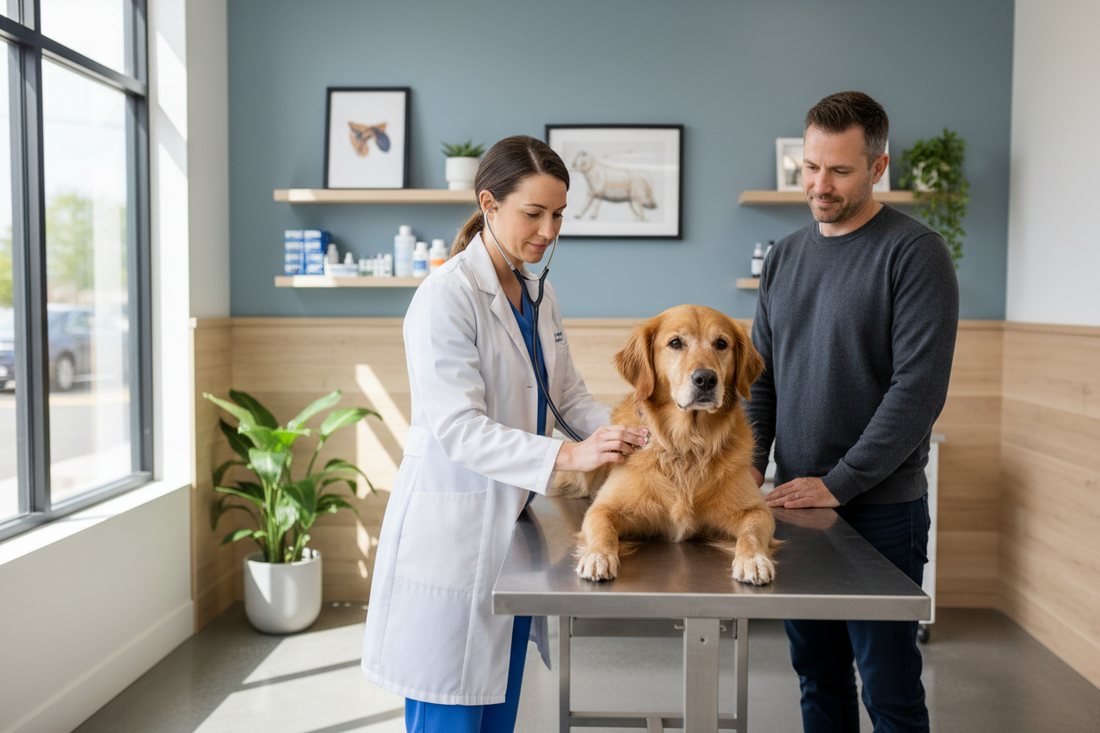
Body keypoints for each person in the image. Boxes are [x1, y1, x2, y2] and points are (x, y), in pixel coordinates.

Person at [360, 135, 648, 733]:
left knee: (496, 711)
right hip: (455, 537)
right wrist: (572, 454)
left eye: (559, 215)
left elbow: (566, 399)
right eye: (533, 213)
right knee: (452, 713)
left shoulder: (538, 294)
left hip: (510, 540)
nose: (549, 230)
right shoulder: (446, 298)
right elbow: (460, 430)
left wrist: (632, 433)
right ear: (489, 205)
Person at [746, 92, 959, 733]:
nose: (820, 184)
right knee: (818, 680)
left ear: (877, 167)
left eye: (839, 170)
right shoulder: (784, 256)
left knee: (889, 691)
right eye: (811, 167)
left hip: (882, 511)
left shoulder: (915, 253)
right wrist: (749, 473)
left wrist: (838, 484)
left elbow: (916, 391)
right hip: (795, 505)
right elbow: (761, 384)